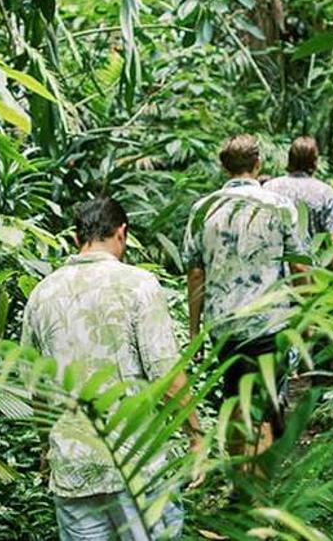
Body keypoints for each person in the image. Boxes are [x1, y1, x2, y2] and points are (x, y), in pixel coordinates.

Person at [23, 196, 200, 541]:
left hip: (74, 465)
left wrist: (47, 446)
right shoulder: (139, 285)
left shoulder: (42, 295)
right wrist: (196, 436)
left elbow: (38, 389)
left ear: (77, 239)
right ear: (122, 233)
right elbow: (165, 373)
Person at [184, 134, 309, 457]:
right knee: (262, 409)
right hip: (269, 322)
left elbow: (196, 273)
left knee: (237, 399)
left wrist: (194, 331)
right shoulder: (280, 206)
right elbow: (297, 265)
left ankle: (241, 479)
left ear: (224, 168)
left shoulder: (203, 209)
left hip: (224, 326)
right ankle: (253, 491)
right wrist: (307, 314)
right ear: (258, 164)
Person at [260, 136, 333, 260]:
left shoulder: (269, 188)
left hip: (274, 267)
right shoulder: (325, 192)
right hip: (310, 268)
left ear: (290, 159)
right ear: (315, 161)